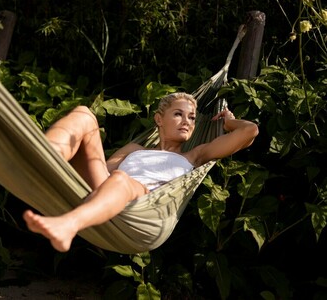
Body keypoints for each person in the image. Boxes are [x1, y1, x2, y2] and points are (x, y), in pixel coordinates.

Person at [23, 92, 259, 252]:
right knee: (84, 113)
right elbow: (103, 173)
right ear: (159, 119)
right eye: (178, 114)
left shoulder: (194, 155)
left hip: (143, 211)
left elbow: (250, 131)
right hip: (106, 194)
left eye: (192, 118)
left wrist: (229, 122)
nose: (186, 121)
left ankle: (68, 225)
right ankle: (40, 160)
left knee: (121, 180)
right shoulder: (134, 149)